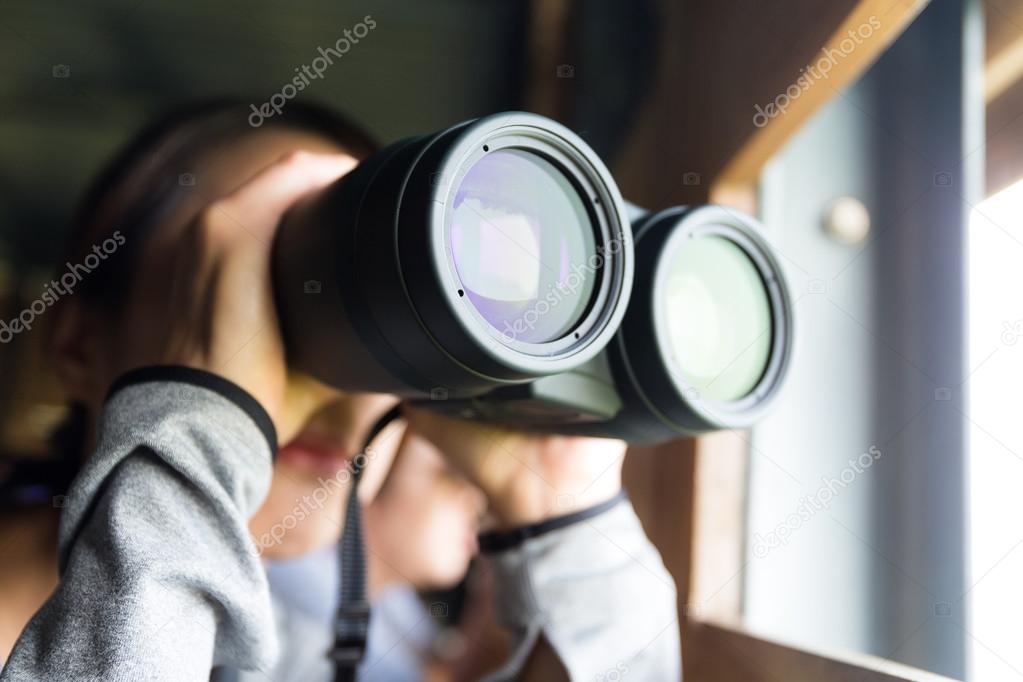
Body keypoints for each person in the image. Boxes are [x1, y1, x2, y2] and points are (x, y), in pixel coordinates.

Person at [0, 100, 681, 681]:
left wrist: (560, 511)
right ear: (78, 347)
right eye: (269, 300)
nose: (337, 384)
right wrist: (204, 426)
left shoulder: (265, 656)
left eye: (365, 313)